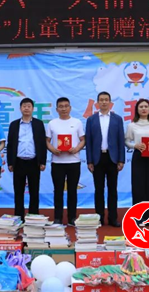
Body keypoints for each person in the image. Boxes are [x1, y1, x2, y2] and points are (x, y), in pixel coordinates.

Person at [85, 91, 125, 227]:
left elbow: (121, 140)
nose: (103, 102)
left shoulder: (117, 119)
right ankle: (99, 218)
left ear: (110, 102)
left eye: (106, 100)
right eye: (101, 100)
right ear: (97, 103)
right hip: (97, 159)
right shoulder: (91, 119)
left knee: (112, 190)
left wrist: (121, 160)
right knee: (99, 190)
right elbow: (89, 142)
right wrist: (89, 161)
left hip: (112, 158)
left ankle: (113, 218)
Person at [46, 97, 85, 226]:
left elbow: (83, 140)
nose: (64, 109)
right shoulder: (52, 123)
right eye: (61, 106)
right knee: (58, 191)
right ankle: (58, 217)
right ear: (56, 109)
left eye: (66, 106)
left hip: (74, 161)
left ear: (70, 108)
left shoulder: (77, 122)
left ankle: (72, 218)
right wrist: (53, 149)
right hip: (57, 162)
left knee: (72, 191)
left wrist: (76, 149)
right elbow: (47, 141)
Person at [7, 98, 48, 219]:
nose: (26, 108)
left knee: (34, 191)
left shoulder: (38, 124)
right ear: (20, 108)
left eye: (28, 106)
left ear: (32, 109)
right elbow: (10, 145)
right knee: (18, 192)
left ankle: (33, 217)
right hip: (18, 162)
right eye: (24, 106)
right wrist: (10, 162)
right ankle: (19, 217)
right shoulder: (14, 125)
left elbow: (42, 144)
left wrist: (43, 161)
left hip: (34, 162)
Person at [125, 98, 149, 205]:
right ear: (137, 109)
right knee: (138, 185)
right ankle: (139, 212)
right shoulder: (132, 125)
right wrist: (135, 145)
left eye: (146, 106)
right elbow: (126, 141)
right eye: (141, 107)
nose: (143, 109)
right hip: (138, 156)